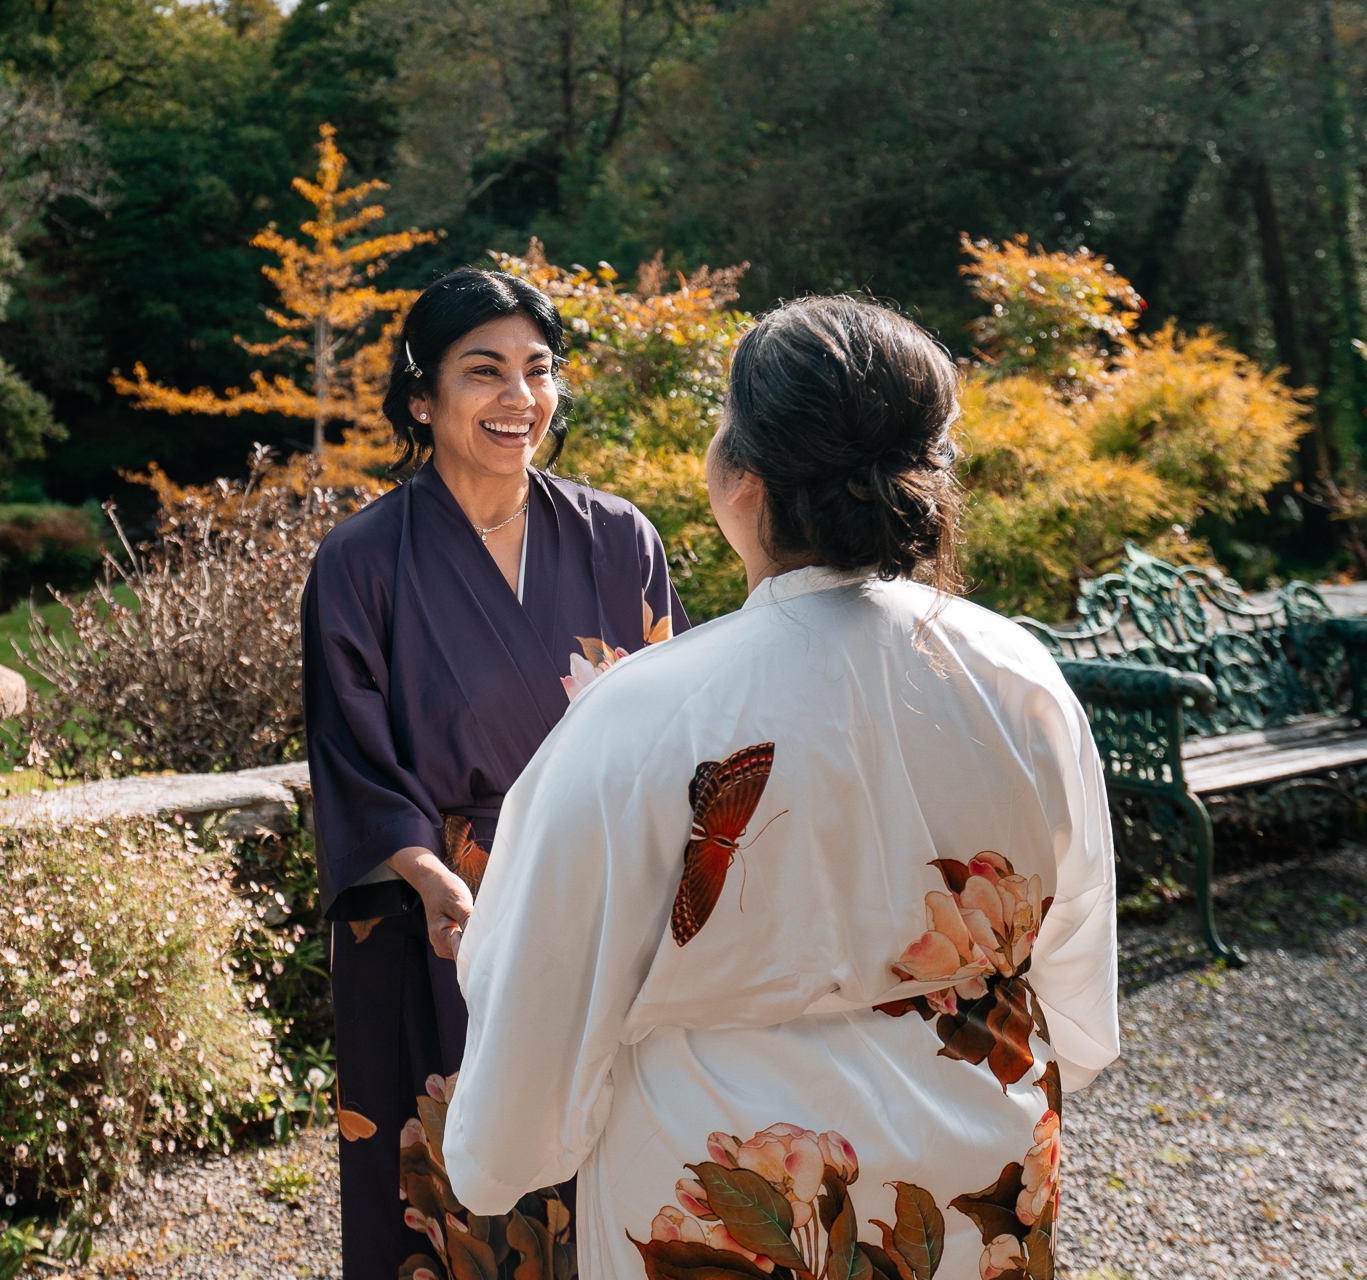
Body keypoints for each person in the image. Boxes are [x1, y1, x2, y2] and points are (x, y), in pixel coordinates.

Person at [441, 295, 1120, 1280]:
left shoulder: (651, 709)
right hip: (974, 1150)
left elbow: (538, 972)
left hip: (732, 1176)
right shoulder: (1014, 672)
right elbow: (1075, 939)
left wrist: (499, 1158)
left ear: (741, 476)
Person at [300, 267, 689, 1276]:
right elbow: (350, 750)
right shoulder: (362, 561)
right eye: (486, 371)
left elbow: (678, 737)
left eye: (538, 369)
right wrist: (431, 876)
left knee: (610, 1186)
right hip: (437, 916)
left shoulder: (620, 541)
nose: (520, 397)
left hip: (594, 914)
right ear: (422, 398)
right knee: (446, 1197)